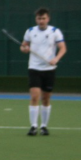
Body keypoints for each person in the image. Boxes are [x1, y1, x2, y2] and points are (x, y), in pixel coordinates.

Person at [20, 7, 66, 136]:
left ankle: (44, 126)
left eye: (44, 18)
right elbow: (23, 46)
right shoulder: (30, 31)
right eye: (39, 18)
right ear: (36, 19)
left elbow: (63, 48)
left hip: (49, 69)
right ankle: (33, 126)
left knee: (46, 98)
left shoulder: (55, 31)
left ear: (48, 18)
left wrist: (56, 59)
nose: (41, 21)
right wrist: (24, 49)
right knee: (35, 96)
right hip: (34, 68)